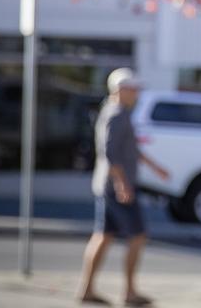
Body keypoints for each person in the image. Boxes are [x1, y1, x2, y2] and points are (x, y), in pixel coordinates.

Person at [78, 68, 170, 306]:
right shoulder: (116, 114)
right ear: (120, 90)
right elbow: (109, 153)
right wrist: (122, 184)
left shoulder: (118, 112)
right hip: (116, 187)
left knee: (103, 237)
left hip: (110, 185)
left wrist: (155, 167)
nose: (137, 93)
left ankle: (87, 289)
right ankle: (129, 292)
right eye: (133, 88)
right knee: (138, 236)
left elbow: (130, 149)